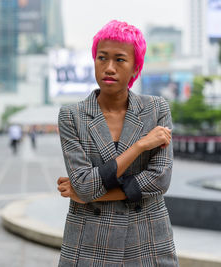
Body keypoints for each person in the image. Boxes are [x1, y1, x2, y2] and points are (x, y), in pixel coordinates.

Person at [57, 20, 178, 266]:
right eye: (102, 58)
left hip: (148, 238)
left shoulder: (156, 109)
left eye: (120, 60)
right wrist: (140, 146)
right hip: (89, 239)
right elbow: (84, 185)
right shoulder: (72, 115)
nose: (109, 67)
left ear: (135, 68)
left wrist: (93, 196)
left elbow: (160, 179)